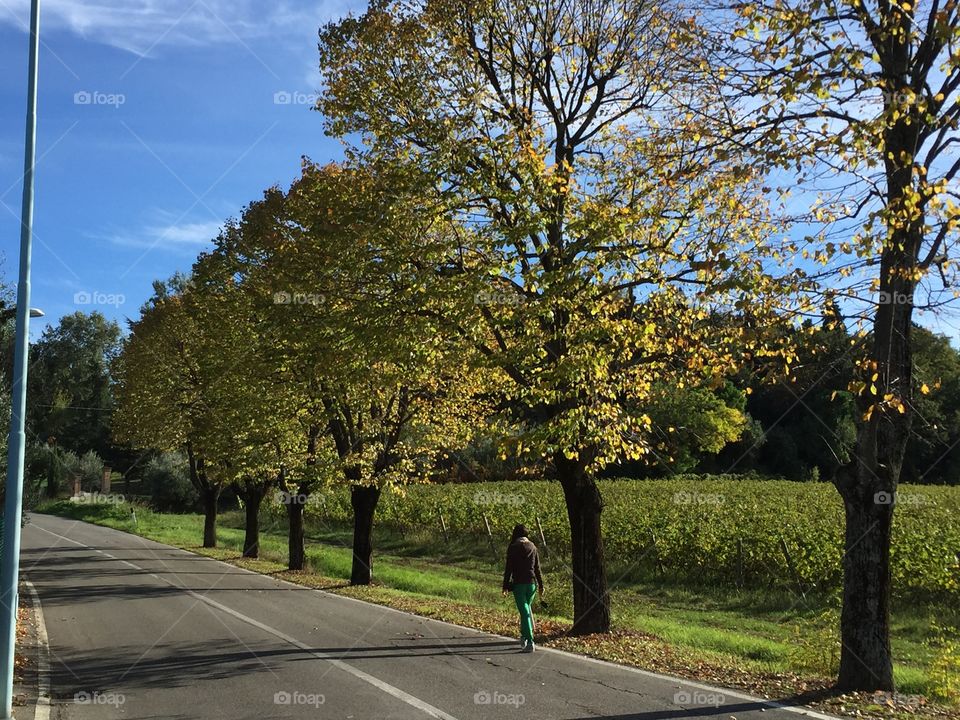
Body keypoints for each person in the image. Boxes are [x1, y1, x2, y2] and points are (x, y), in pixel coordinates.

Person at [502, 523, 545, 653]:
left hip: (519, 584)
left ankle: (530, 641)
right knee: (525, 611)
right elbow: (537, 568)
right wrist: (541, 585)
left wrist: (505, 585)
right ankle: (524, 636)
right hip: (531, 584)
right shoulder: (533, 547)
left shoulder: (513, 547)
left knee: (525, 612)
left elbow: (508, 568)